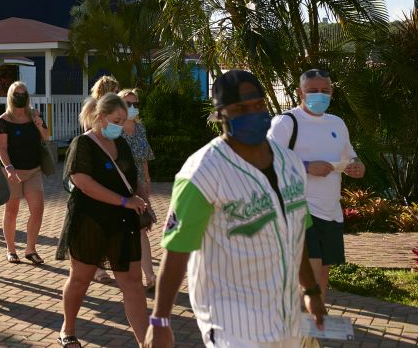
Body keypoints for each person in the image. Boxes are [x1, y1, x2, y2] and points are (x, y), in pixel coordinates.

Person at [145, 70, 327, 348]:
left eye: (258, 105)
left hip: (286, 318)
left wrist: (312, 291)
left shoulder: (290, 164)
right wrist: (160, 320)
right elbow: (177, 250)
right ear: (221, 115)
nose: (254, 114)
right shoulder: (202, 172)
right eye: (241, 109)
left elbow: (296, 235)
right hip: (231, 321)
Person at [56, 93, 148, 347]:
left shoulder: (121, 143)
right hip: (90, 221)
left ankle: (146, 342)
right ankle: (68, 329)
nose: (120, 125)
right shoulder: (83, 144)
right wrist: (124, 201)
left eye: (123, 119)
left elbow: (132, 175)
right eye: (116, 120)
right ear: (100, 117)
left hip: (122, 223)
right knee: (80, 278)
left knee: (133, 284)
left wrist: (140, 197)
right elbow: (83, 183)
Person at [267, 68, 365, 302]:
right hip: (298, 207)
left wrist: (356, 165)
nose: (320, 95)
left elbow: (350, 155)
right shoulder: (286, 122)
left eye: (325, 90)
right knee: (309, 268)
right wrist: (307, 166)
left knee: (322, 268)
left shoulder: (337, 123)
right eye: (313, 91)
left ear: (332, 92)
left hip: (331, 210)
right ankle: (302, 320)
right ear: (300, 92)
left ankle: (314, 320)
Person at [0, 81, 51, 265]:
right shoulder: (3, 120)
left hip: (33, 170)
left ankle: (30, 249)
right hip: (13, 171)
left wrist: (38, 123)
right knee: (12, 210)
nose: (20, 97)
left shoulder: (34, 114)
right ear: (11, 97)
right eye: (16, 94)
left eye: (23, 94)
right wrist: (9, 168)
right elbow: (2, 148)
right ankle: (11, 250)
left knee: (37, 209)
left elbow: (46, 137)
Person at [120, 88, 158, 289]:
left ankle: (150, 276)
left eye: (135, 103)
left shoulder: (140, 129)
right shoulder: (113, 130)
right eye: (128, 104)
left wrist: (147, 180)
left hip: (138, 185)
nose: (132, 107)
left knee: (141, 228)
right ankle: (98, 267)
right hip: (119, 185)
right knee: (119, 231)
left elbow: (144, 158)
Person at [87, 74, 120, 284]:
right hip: (96, 166)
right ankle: (96, 267)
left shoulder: (115, 110)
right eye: (115, 91)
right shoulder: (93, 109)